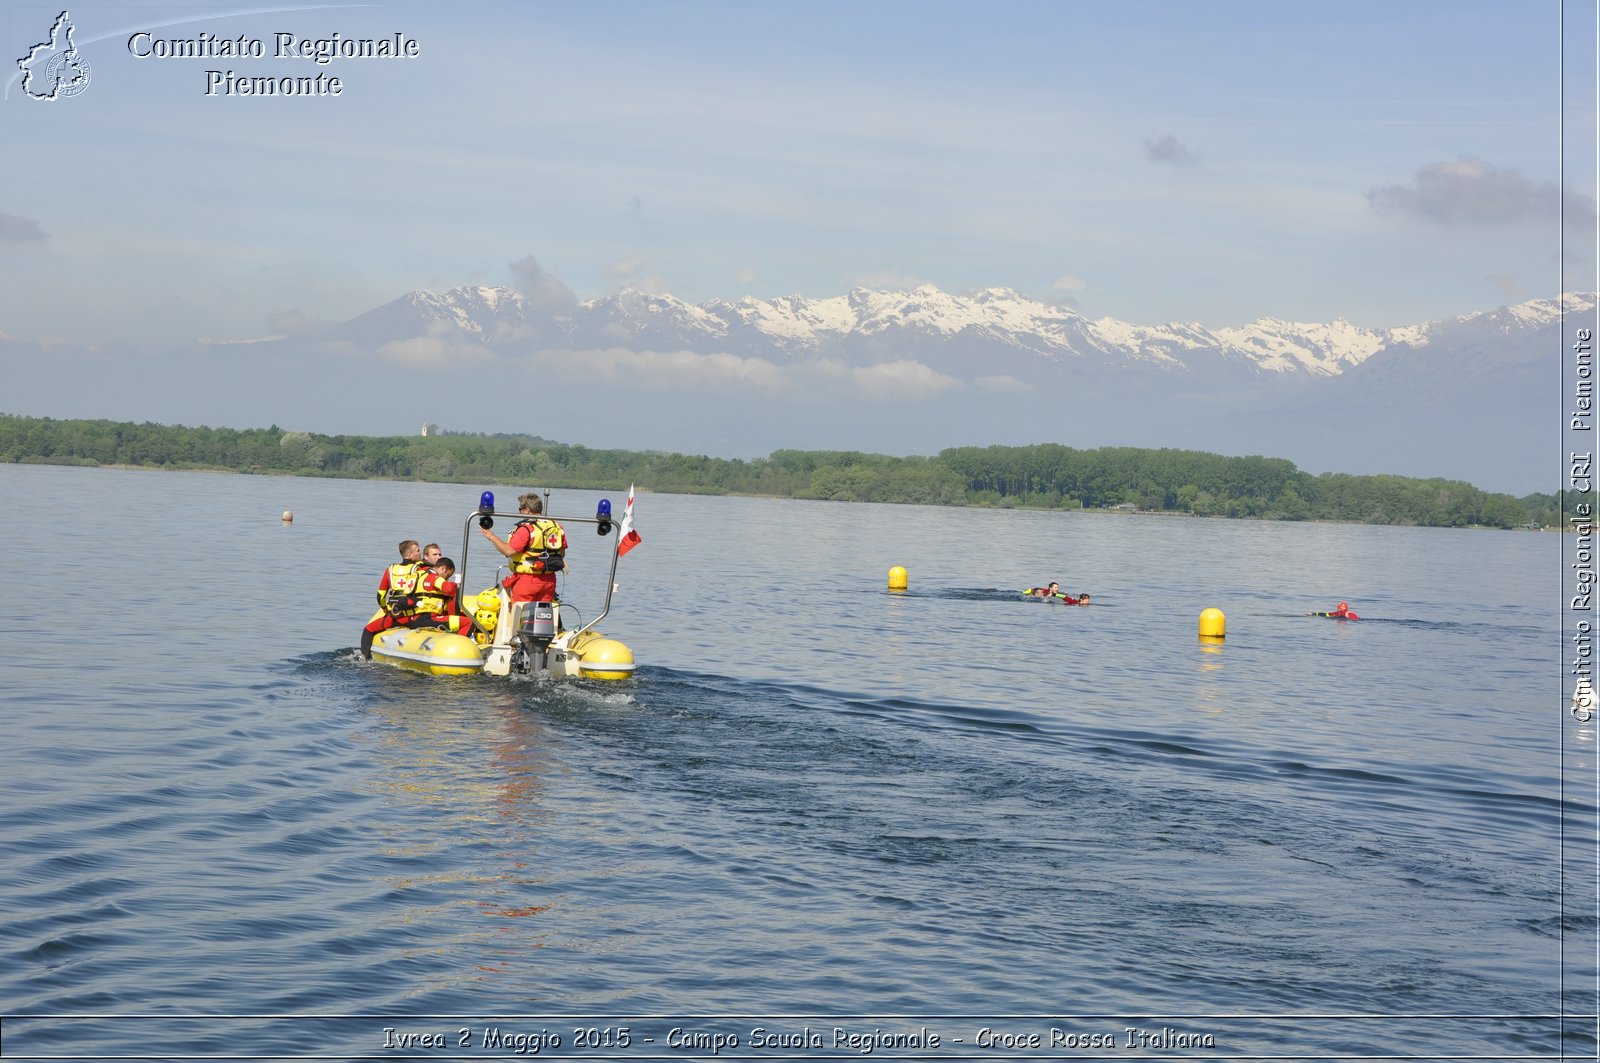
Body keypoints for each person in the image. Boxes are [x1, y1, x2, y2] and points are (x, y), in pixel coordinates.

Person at [361, 556, 474, 658]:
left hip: (406, 616)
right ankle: (456, 650)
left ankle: (365, 656)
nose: (447, 578)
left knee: (369, 628)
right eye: (448, 575)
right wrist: (457, 582)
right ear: (443, 569)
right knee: (468, 622)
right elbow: (448, 589)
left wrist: (386, 609)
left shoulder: (417, 575)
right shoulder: (433, 578)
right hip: (427, 618)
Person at [480, 493, 567, 603]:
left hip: (527, 581)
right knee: (542, 615)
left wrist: (490, 536)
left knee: (521, 615)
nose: (520, 512)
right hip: (549, 581)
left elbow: (509, 551)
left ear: (526, 509)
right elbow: (561, 554)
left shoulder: (527, 529)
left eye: (520, 509)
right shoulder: (558, 528)